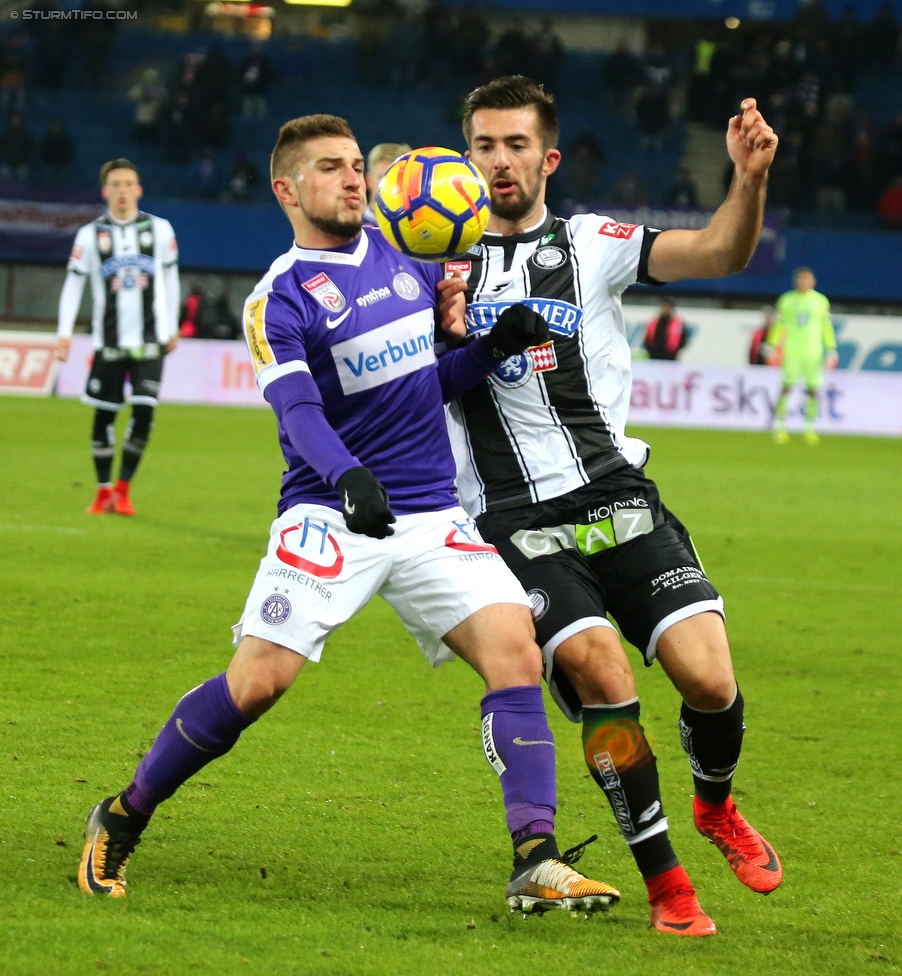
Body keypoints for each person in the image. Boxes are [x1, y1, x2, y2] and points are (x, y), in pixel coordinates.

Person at [77, 114, 621, 918]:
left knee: (515, 652)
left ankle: (534, 858)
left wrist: (490, 347)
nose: (353, 178)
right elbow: (297, 411)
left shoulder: (407, 261)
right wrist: (346, 476)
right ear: (287, 189)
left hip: (431, 513)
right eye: (331, 167)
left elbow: (423, 384)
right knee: (259, 683)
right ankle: (122, 815)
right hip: (331, 513)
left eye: (356, 165)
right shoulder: (280, 298)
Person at [446, 76, 782, 938]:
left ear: (547, 157)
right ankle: (668, 885)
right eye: (484, 145)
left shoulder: (592, 241)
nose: (499, 161)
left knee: (708, 678)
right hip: (516, 522)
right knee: (603, 671)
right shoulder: (433, 268)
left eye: (516, 145)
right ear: (464, 156)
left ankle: (714, 806)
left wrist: (748, 181)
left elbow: (718, 254)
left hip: (616, 496)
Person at [56, 159, 180, 516]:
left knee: (143, 412)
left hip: (150, 339)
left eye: (129, 184)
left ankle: (123, 491)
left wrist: (171, 325)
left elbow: (170, 279)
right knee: (104, 418)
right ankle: (102, 490)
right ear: (105, 191)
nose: (122, 190)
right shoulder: (90, 235)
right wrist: (64, 334)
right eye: (116, 184)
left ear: (138, 190)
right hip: (108, 342)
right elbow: (73, 284)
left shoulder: (160, 230)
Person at [768, 267, 838, 445]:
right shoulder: (787, 300)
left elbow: (826, 326)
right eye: (801, 280)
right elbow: (779, 324)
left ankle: (810, 428)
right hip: (792, 350)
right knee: (786, 387)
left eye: (807, 280)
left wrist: (831, 349)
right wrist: (772, 345)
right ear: (796, 282)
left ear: (813, 282)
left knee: (813, 389)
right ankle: (780, 427)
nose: (804, 283)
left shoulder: (820, 301)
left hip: (813, 351)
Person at [363, 141, 411, 224]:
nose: (390, 185)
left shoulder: (419, 229)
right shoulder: (351, 228)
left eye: (397, 178)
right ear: (369, 181)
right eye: (383, 177)